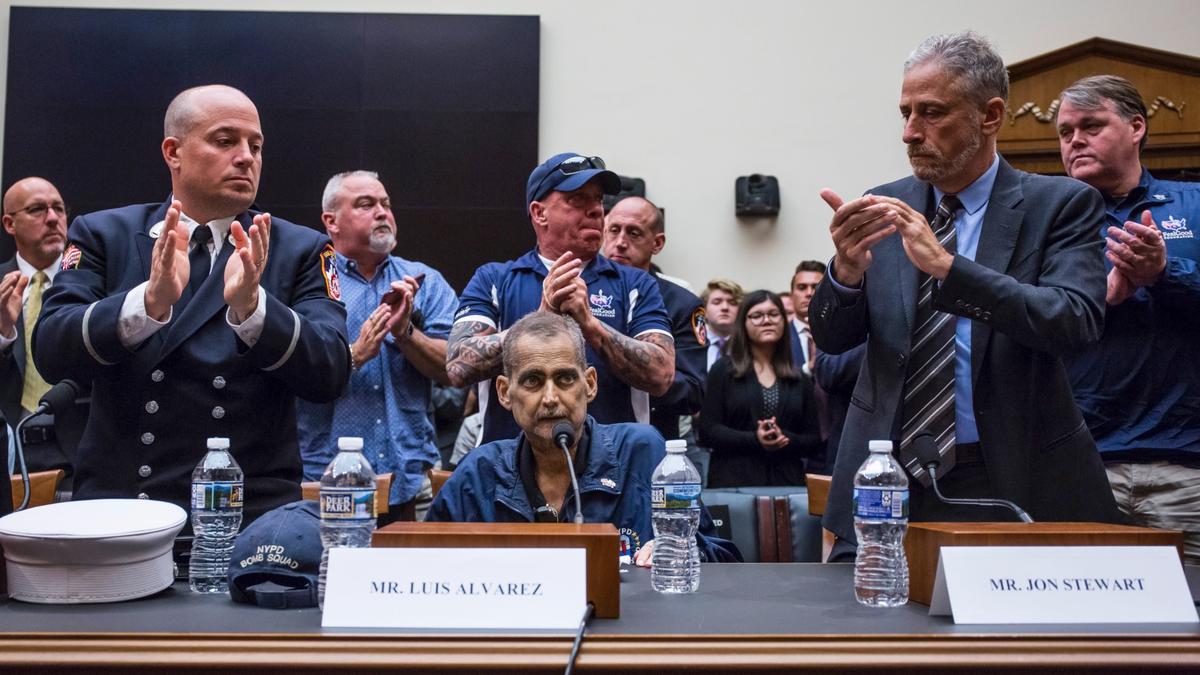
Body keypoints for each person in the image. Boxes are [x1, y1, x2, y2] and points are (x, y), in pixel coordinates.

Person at [810, 32, 1121, 560]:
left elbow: (1073, 321)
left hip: (1006, 471)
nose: (910, 132)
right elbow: (833, 339)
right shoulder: (885, 203)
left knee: (1006, 640)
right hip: (885, 472)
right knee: (868, 636)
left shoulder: (1061, 205)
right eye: (906, 112)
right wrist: (845, 273)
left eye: (932, 113)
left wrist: (950, 269)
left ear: (990, 115)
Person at [35, 85, 350, 523]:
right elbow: (51, 350)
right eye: (225, 141)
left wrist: (253, 309)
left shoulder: (299, 247)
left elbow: (331, 371)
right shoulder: (104, 234)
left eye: (255, 146)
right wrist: (147, 302)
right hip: (122, 510)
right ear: (173, 152)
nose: (246, 157)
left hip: (248, 515)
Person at [429, 311, 740, 565]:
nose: (550, 398)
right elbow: (420, 563)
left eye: (565, 379)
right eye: (533, 381)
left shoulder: (644, 452)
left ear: (590, 384)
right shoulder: (479, 471)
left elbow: (722, 558)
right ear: (504, 393)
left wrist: (682, 554)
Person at [1056, 75, 1200, 562]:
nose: (1075, 140)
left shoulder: (1193, 205)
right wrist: (1101, 298)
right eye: (1065, 132)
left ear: (1136, 127)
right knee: (1079, 630)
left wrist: (1164, 274)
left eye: (1091, 125)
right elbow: (1019, 318)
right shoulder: (1043, 221)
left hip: (1186, 469)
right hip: (1081, 466)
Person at [447, 153, 675, 445]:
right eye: (578, 200)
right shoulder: (494, 279)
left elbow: (662, 375)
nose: (596, 210)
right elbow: (456, 367)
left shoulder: (635, 283)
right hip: (511, 472)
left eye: (598, 200)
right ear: (539, 212)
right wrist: (543, 318)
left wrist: (590, 325)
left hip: (614, 468)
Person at [296, 171, 458, 522]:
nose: (382, 212)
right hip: (329, 479)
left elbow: (454, 368)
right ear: (331, 222)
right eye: (366, 205)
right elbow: (288, 370)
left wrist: (405, 333)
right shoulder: (310, 284)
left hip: (411, 477)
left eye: (385, 203)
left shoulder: (424, 282)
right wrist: (352, 356)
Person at [1, 177, 87, 493]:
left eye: (58, 209)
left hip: (78, 452)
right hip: (10, 451)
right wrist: (2, 334)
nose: (52, 218)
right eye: (37, 209)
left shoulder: (89, 283)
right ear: (10, 223)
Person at [602, 195, 706, 442]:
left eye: (634, 233)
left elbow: (693, 391)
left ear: (657, 243)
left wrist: (640, 370)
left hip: (654, 440)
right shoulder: (582, 291)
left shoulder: (681, 302)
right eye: (613, 230)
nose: (620, 242)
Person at [699, 290, 820, 487]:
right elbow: (708, 432)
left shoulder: (800, 378)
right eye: (756, 316)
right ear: (743, 324)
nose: (766, 321)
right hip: (733, 484)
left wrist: (784, 438)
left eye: (774, 314)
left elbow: (813, 440)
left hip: (787, 485)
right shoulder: (724, 370)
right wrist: (755, 439)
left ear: (783, 320)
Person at [700, 278, 743, 371]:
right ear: (704, 310)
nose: (725, 308)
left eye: (732, 303)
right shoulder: (692, 342)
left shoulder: (748, 345)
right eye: (717, 302)